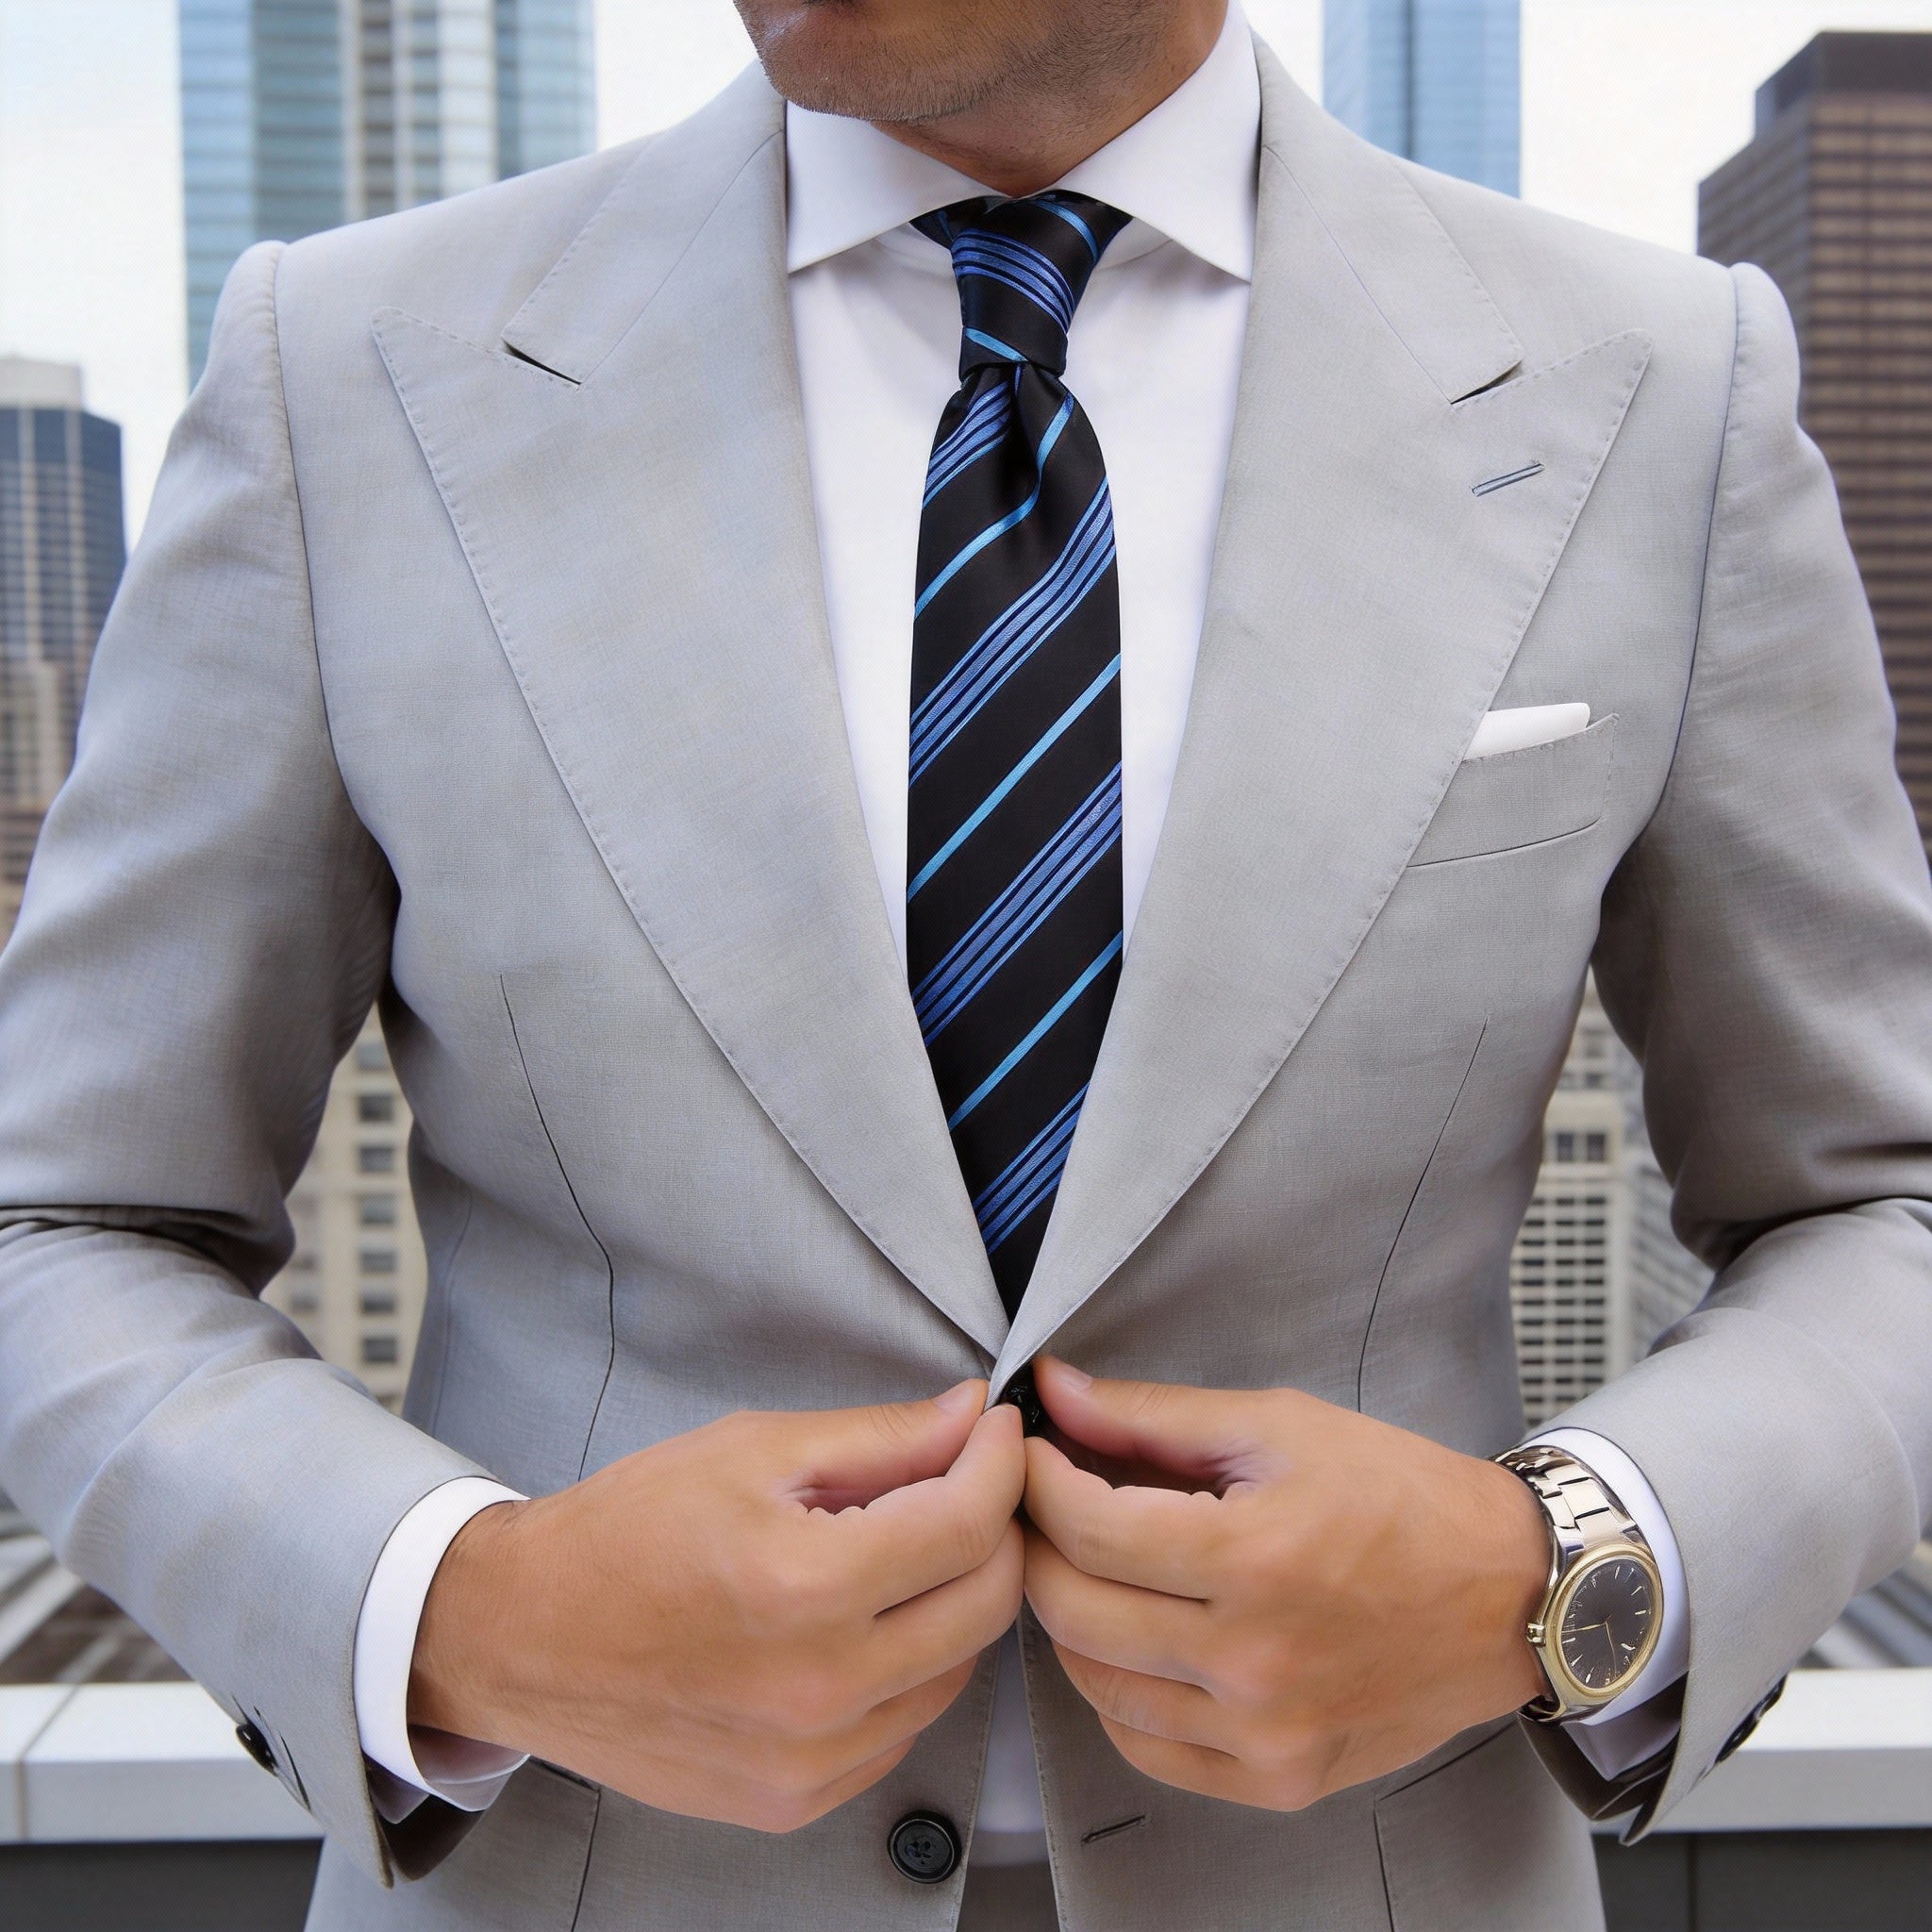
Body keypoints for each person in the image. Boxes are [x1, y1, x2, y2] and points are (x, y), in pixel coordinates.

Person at [2, 0, 1928, 1925]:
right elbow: (61, 1219)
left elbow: (1882, 1201)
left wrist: (1559, 1564)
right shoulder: (344, 376)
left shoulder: (1658, 390)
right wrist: (463, 1610)